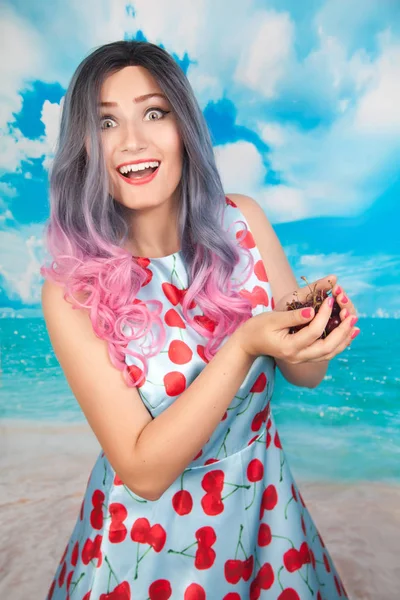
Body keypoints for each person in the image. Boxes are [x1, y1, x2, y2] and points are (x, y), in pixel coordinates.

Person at [40, 40, 359, 600]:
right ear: (84, 148)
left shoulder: (244, 220)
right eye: (107, 122)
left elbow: (306, 375)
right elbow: (142, 469)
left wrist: (312, 326)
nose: (134, 141)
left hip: (267, 516)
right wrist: (242, 346)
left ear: (183, 126)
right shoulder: (71, 292)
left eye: (154, 112)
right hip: (148, 549)